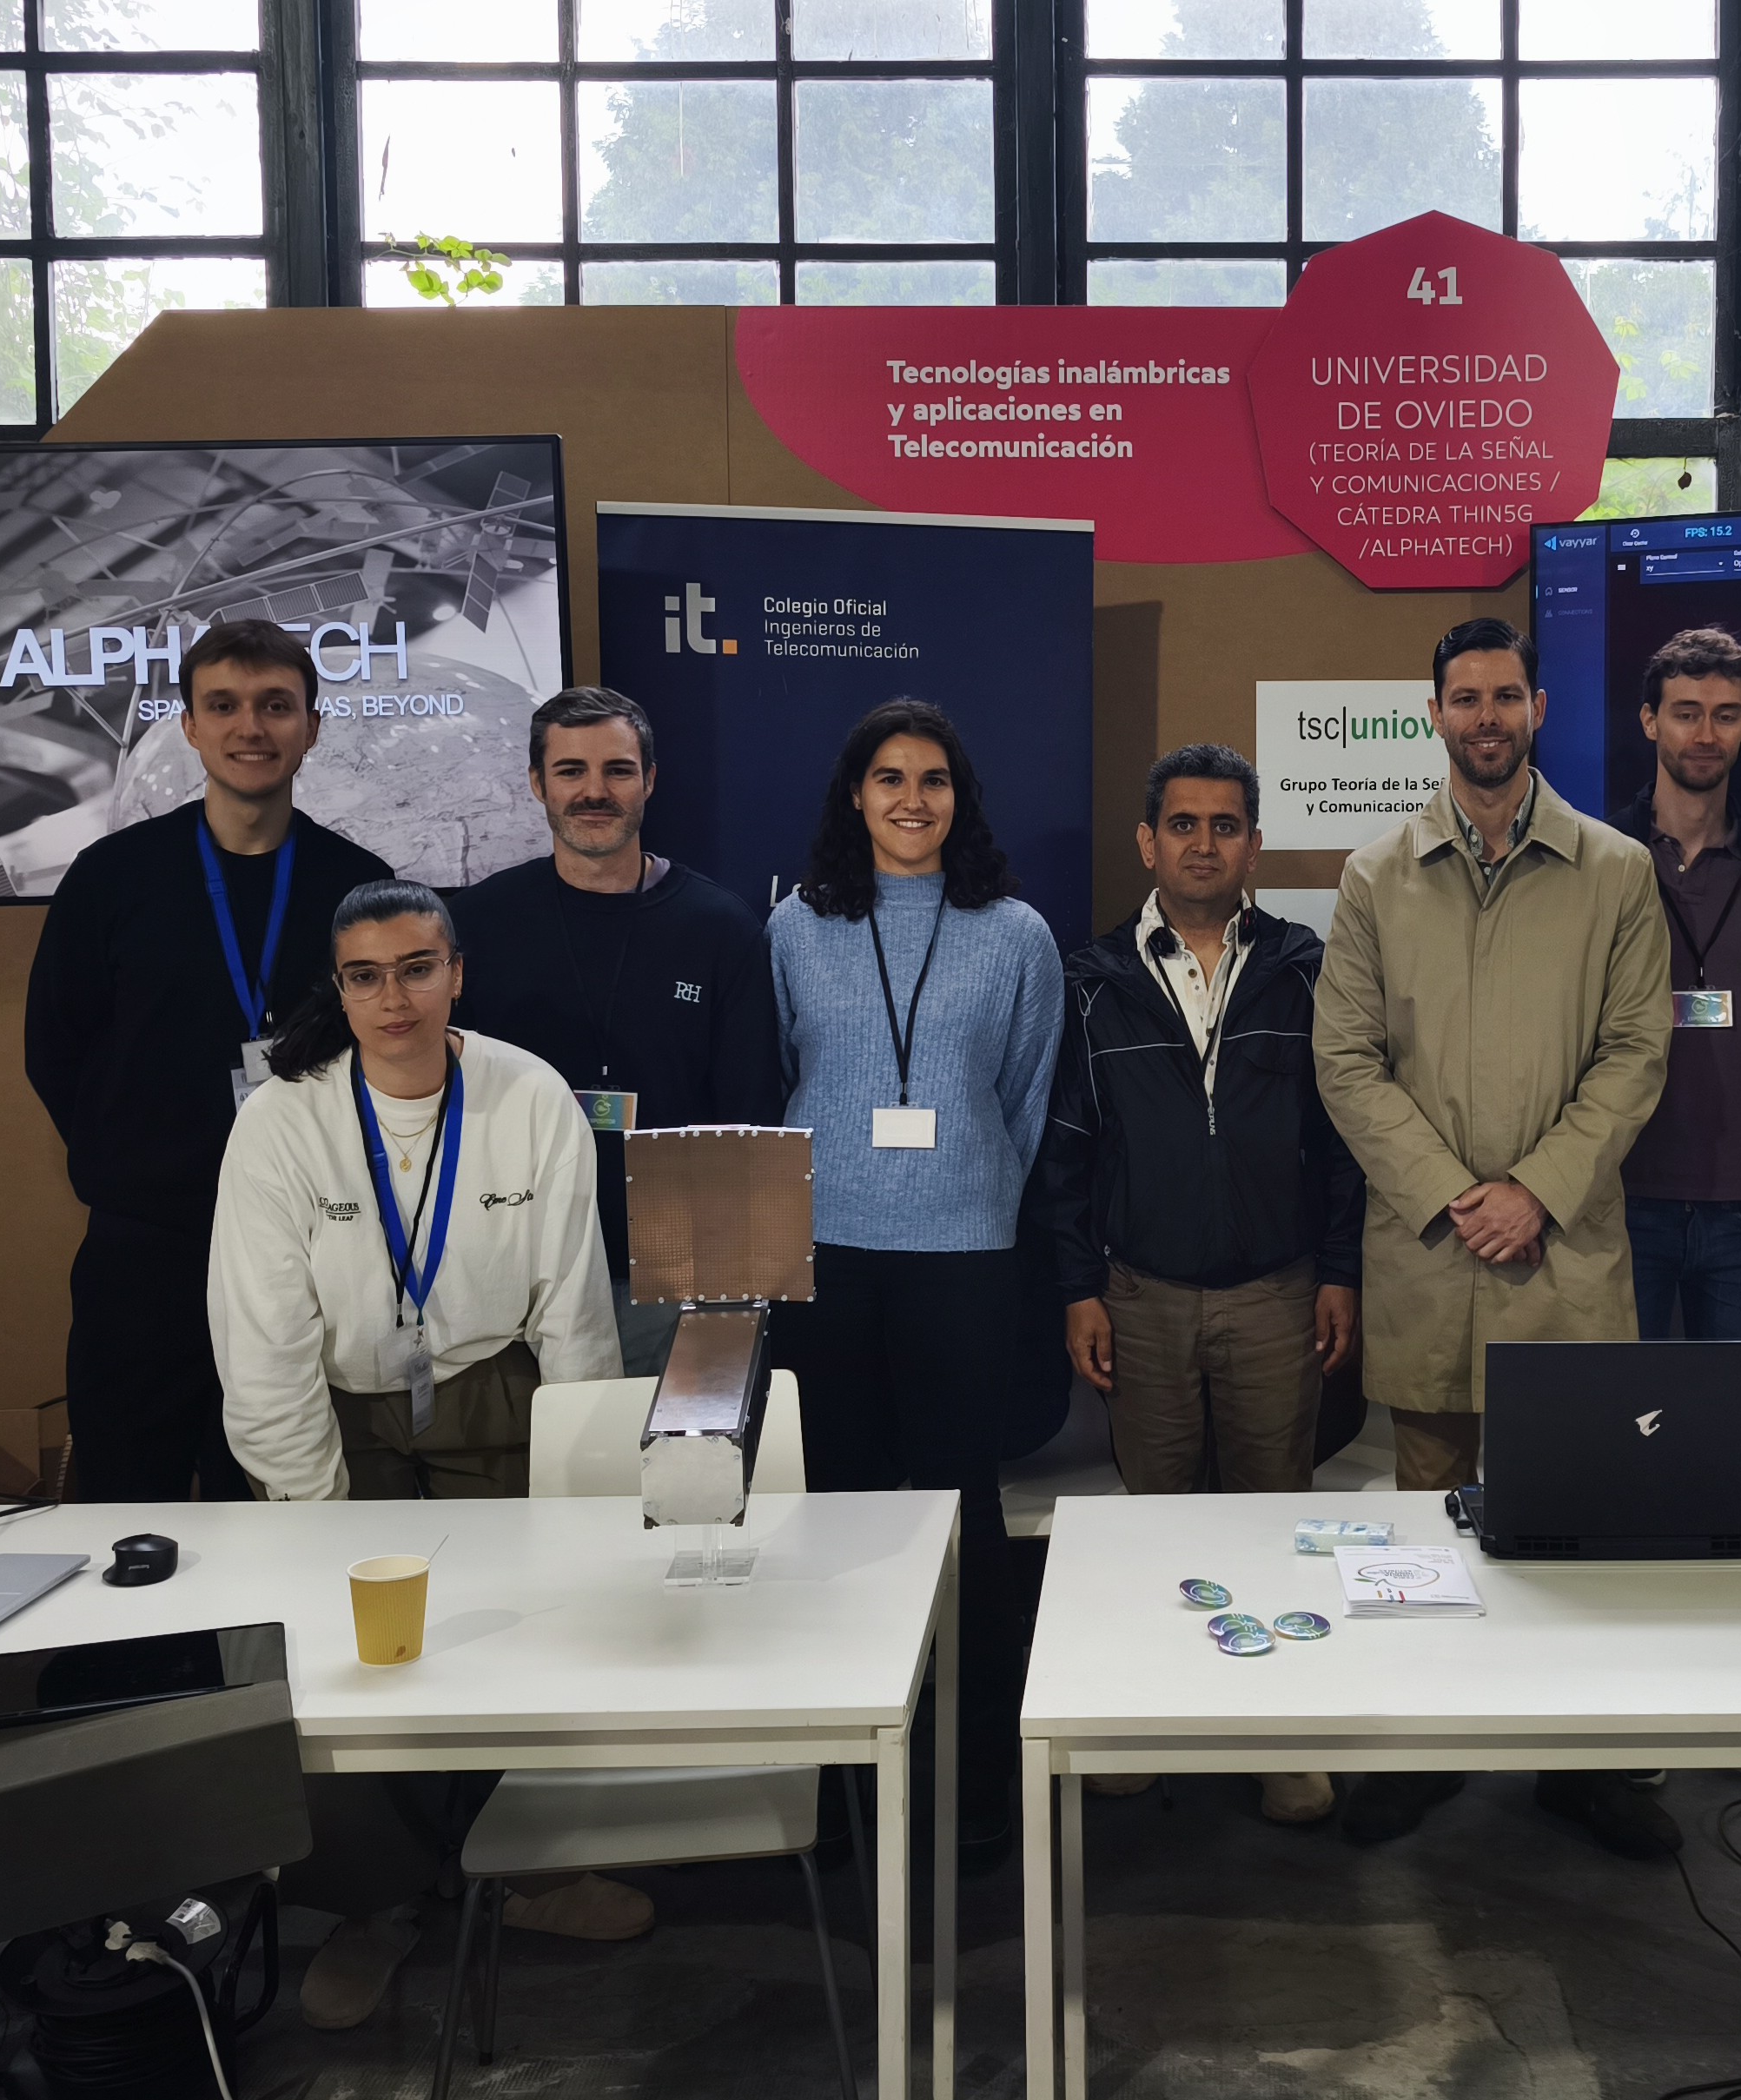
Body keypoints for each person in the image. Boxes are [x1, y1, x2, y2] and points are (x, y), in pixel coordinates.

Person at [205, 878, 632, 2023]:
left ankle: (527, 1865)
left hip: (495, 1391)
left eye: (415, 968)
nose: (392, 997)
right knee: (353, 1664)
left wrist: (585, 1483)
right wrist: (309, 1509)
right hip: (343, 1408)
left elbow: (573, 1307)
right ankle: (372, 1902)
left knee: (521, 1634)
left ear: (456, 974)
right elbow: (263, 1337)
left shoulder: (527, 1095)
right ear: (337, 990)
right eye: (364, 975)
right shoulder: (283, 1118)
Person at [1311, 618, 1674, 1856]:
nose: (1483, 716)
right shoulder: (1373, 876)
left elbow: (1636, 1052)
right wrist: (1451, 1189)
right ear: (1433, 713)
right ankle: (1428, 1748)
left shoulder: (1616, 871)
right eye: (1461, 697)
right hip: (1429, 1250)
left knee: (1578, 1513)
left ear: (1534, 710)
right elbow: (1344, 1060)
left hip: (1559, 1251)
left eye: (1502, 696)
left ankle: (1582, 1763)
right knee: (1425, 1510)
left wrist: (1533, 1188)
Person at [1036, 743, 1362, 1828]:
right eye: (1183, 823)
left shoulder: (1307, 965)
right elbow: (1068, 1148)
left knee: (1276, 1523)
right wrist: (1081, 1287)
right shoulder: (1090, 981)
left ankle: (1279, 1742)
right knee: (1154, 1527)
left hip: (1278, 1291)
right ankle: (1148, 1722)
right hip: (1143, 1293)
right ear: (1148, 841)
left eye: (1226, 824)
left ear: (1254, 843)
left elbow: (1340, 1141)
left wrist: (1341, 1272)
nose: (1204, 842)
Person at [768, 699, 1063, 1865]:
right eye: (887, 777)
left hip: (962, 1259)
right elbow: (783, 1073)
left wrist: (965, 1184)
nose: (910, 798)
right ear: (854, 795)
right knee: (834, 1515)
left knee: (962, 1516)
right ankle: (843, 1778)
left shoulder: (1014, 933)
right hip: (826, 1256)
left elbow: (1029, 1096)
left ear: (959, 799)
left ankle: (975, 1780)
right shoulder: (795, 928)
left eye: (933, 779)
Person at [24, 618, 392, 1503]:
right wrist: (136, 1160)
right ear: (187, 725)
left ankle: (249, 1651)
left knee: (277, 1487)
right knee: (124, 1491)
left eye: (275, 706)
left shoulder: (360, 887)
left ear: (312, 724)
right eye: (222, 705)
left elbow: (387, 1057)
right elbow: (56, 1045)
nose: (250, 728)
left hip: (309, 1244)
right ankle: (136, 1651)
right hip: (146, 1248)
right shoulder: (113, 877)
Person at [452, 686, 784, 1377]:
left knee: (677, 1481)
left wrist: (731, 1296)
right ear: (537, 783)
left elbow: (750, 1118)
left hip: (675, 1279)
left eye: (618, 770)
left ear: (650, 780)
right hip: (519, 1272)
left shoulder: (720, 928)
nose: (594, 791)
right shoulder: (478, 924)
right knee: (546, 1479)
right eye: (571, 770)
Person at [1612, 628, 1741, 1340]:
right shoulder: (1598, 864)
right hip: (1620, 1199)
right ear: (1650, 720)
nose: (1705, 732)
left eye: (1726, 713)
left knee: (1731, 1435)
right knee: (1618, 1428)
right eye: (1685, 711)